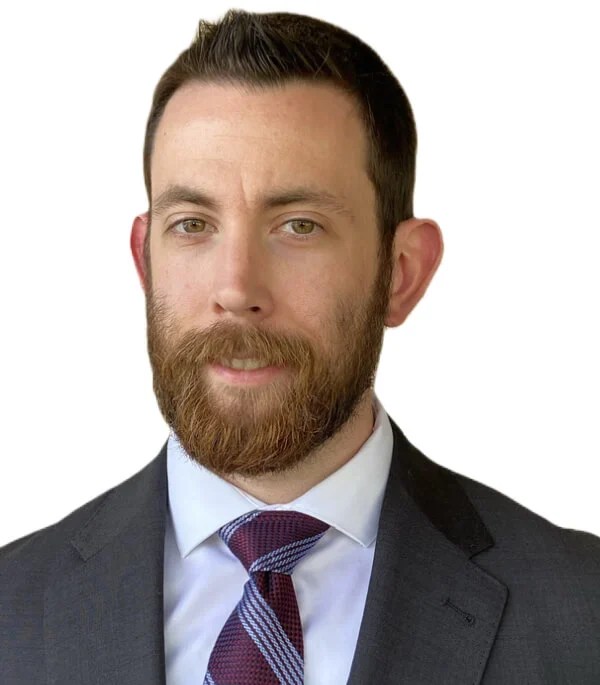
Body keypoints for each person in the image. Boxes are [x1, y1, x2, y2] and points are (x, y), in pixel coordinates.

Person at [1, 9, 599, 684]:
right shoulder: (10, 609)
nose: (236, 289)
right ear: (146, 261)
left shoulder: (583, 617)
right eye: (192, 224)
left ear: (401, 273)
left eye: (299, 226)